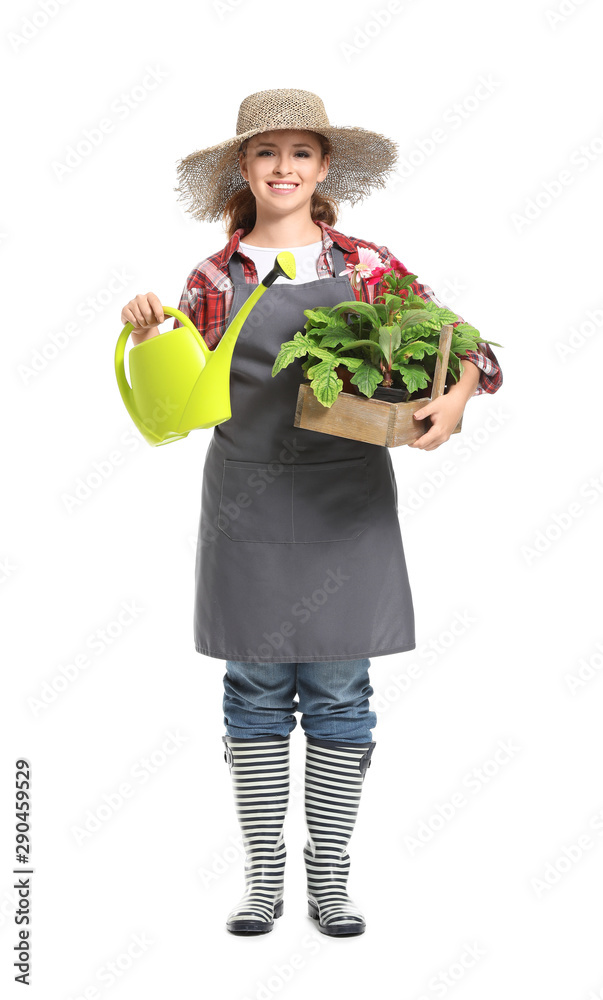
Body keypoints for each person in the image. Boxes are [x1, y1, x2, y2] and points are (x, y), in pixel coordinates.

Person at [120, 88, 503, 939]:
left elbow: (466, 342)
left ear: (324, 168)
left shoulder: (365, 265)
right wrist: (150, 331)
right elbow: (178, 397)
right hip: (248, 497)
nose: (283, 168)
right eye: (265, 154)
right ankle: (263, 885)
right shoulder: (212, 277)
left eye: (300, 153)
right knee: (253, 689)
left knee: (339, 687)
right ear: (243, 170)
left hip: (346, 497)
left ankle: (329, 883)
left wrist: (457, 399)